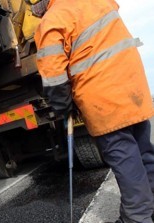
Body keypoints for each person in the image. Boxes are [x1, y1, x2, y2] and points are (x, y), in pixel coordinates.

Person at [26, 0, 154, 222]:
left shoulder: (52, 21)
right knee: (144, 154)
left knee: (126, 160)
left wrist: (64, 109)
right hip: (133, 89)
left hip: (104, 100)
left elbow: (55, 79)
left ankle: (136, 217)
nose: (32, 7)